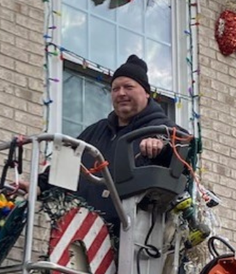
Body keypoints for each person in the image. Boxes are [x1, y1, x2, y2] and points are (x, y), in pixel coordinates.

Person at [72, 54, 182, 230]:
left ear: (146, 92)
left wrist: (162, 145)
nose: (121, 93)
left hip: (134, 239)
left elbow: (185, 148)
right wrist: (38, 185)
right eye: (115, 89)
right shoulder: (95, 132)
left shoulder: (162, 128)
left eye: (128, 87)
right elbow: (68, 158)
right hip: (81, 235)